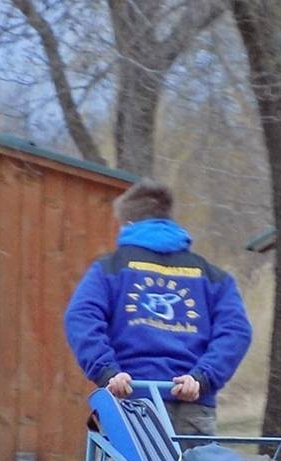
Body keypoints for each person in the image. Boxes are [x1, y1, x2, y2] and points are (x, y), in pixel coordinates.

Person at [64, 181, 252, 436]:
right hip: (191, 405)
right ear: (167, 219)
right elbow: (236, 331)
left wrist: (108, 373)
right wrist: (201, 378)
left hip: (127, 401)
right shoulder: (213, 276)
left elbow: (80, 318)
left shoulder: (109, 269)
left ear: (128, 224)